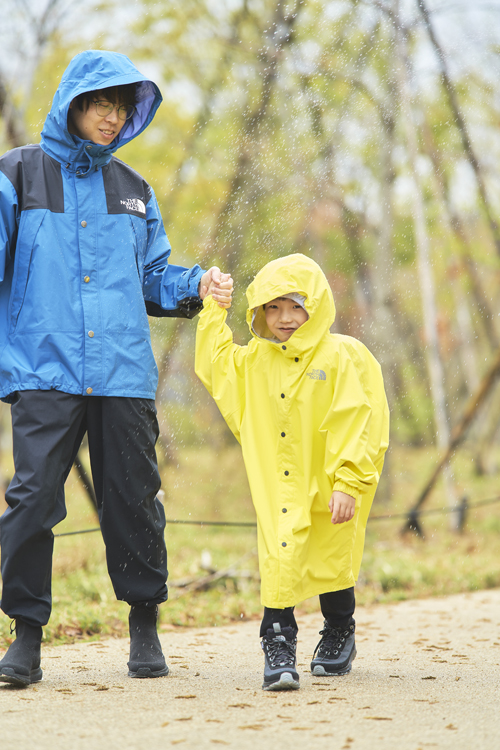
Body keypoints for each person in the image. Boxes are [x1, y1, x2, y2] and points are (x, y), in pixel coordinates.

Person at [0, 50, 232, 687]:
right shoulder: (16, 176)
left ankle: (144, 624)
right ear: (74, 104)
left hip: (124, 370)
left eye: (122, 107)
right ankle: (24, 638)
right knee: (32, 501)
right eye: (101, 104)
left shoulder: (133, 191)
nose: (112, 117)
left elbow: (154, 279)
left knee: (134, 501)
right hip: (44, 368)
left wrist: (198, 283)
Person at [195, 253, 389, 691]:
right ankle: (278, 640)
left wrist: (347, 480)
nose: (285, 318)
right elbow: (215, 365)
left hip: (330, 482)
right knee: (280, 553)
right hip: (277, 483)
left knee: (332, 550)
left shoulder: (343, 356)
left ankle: (340, 628)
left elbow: (358, 419)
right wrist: (214, 309)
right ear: (260, 312)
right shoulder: (254, 363)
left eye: (296, 305)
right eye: (273, 307)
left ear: (316, 305)